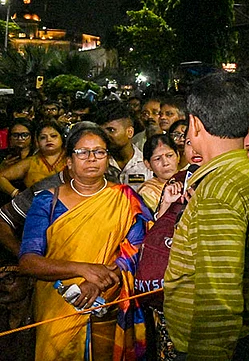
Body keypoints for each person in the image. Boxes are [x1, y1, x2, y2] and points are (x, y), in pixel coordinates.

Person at [163, 73, 249, 360]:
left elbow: (218, 304)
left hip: (214, 347)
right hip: (245, 337)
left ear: (195, 125)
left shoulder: (218, 190)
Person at [18, 124, 152, 360]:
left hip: (107, 309)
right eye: (82, 152)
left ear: (107, 158)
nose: (92, 158)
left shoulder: (126, 200)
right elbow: (29, 262)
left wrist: (97, 284)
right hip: (57, 308)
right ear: (69, 161)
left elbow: (137, 249)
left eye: (99, 152)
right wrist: (82, 269)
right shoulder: (47, 202)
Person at [0, 121, 67, 198]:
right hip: (37, 207)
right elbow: (1, 177)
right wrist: (17, 194)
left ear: (62, 138)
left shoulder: (73, 158)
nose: (48, 139)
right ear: (37, 142)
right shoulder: (31, 162)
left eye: (53, 136)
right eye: (43, 137)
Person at [97, 102, 153, 191]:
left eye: (111, 130)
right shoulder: (97, 164)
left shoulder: (148, 166)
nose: (105, 136)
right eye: (101, 132)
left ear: (129, 132)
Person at [138, 134, 181, 214]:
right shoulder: (148, 192)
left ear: (178, 156)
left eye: (169, 156)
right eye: (157, 159)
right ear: (147, 164)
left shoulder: (190, 180)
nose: (165, 163)